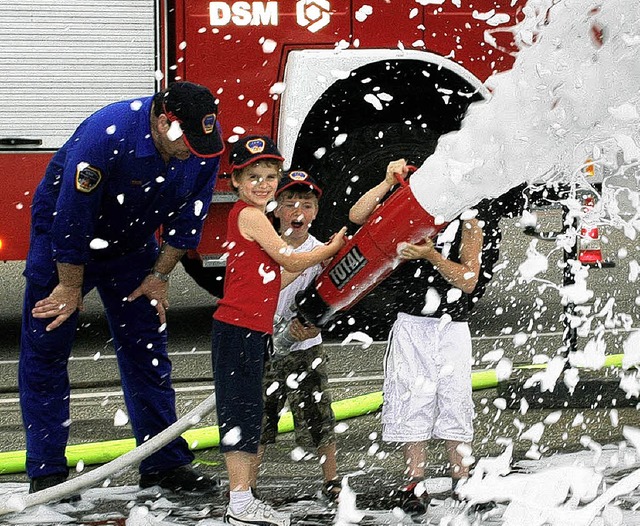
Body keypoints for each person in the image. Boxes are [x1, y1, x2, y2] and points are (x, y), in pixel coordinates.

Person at [20, 81, 224, 495]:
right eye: (186, 142)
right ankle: (47, 472)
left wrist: (159, 275)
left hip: (132, 247)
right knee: (47, 349)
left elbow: (190, 220)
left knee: (146, 352)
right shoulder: (106, 134)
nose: (194, 153)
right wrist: (68, 288)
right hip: (63, 244)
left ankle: (163, 463)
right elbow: (71, 217)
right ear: (164, 121)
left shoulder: (203, 145)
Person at [212, 137, 347, 526]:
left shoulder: (255, 219)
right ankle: (240, 504)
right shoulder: (251, 216)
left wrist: (319, 259)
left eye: (270, 176)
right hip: (238, 327)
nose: (263, 184)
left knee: (250, 414)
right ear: (235, 180)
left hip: (250, 330)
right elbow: (289, 257)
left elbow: (280, 274)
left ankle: (242, 500)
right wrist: (330, 248)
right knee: (241, 413)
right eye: (253, 176)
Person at [349, 158, 484, 515]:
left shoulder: (469, 218)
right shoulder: (406, 209)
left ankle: (463, 480)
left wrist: (431, 255)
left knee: (454, 400)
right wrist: (384, 180)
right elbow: (357, 216)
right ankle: (414, 482)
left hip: (452, 327)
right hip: (411, 322)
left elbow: (468, 280)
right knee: (413, 400)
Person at [251, 170, 342, 503]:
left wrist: (320, 324)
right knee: (259, 418)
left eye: (306, 204)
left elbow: (340, 295)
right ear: (276, 209)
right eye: (290, 204)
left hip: (305, 347)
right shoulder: (262, 247)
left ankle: (331, 480)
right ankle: (247, 485)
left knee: (320, 417)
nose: (298, 211)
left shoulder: (324, 251)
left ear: (316, 212)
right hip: (265, 345)